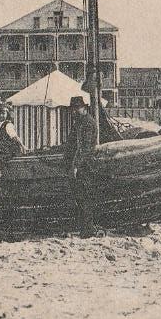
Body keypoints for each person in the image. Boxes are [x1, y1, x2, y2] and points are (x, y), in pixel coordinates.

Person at [64, 95, 98, 235]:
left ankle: (88, 229)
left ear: (84, 108)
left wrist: (76, 166)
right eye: (73, 109)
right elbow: (72, 143)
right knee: (79, 196)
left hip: (85, 165)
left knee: (84, 196)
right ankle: (83, 227)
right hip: (78, 163)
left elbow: (85, 147)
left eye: (77, 108)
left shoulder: (88, 123)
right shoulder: (78, 122)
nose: (74, 111)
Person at [0, 102, 25, 196]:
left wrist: (22, 146)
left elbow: (14, 137)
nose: (1, 115)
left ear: (7, 114)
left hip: (6, 148)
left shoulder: (8, 125)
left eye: (3, 113)